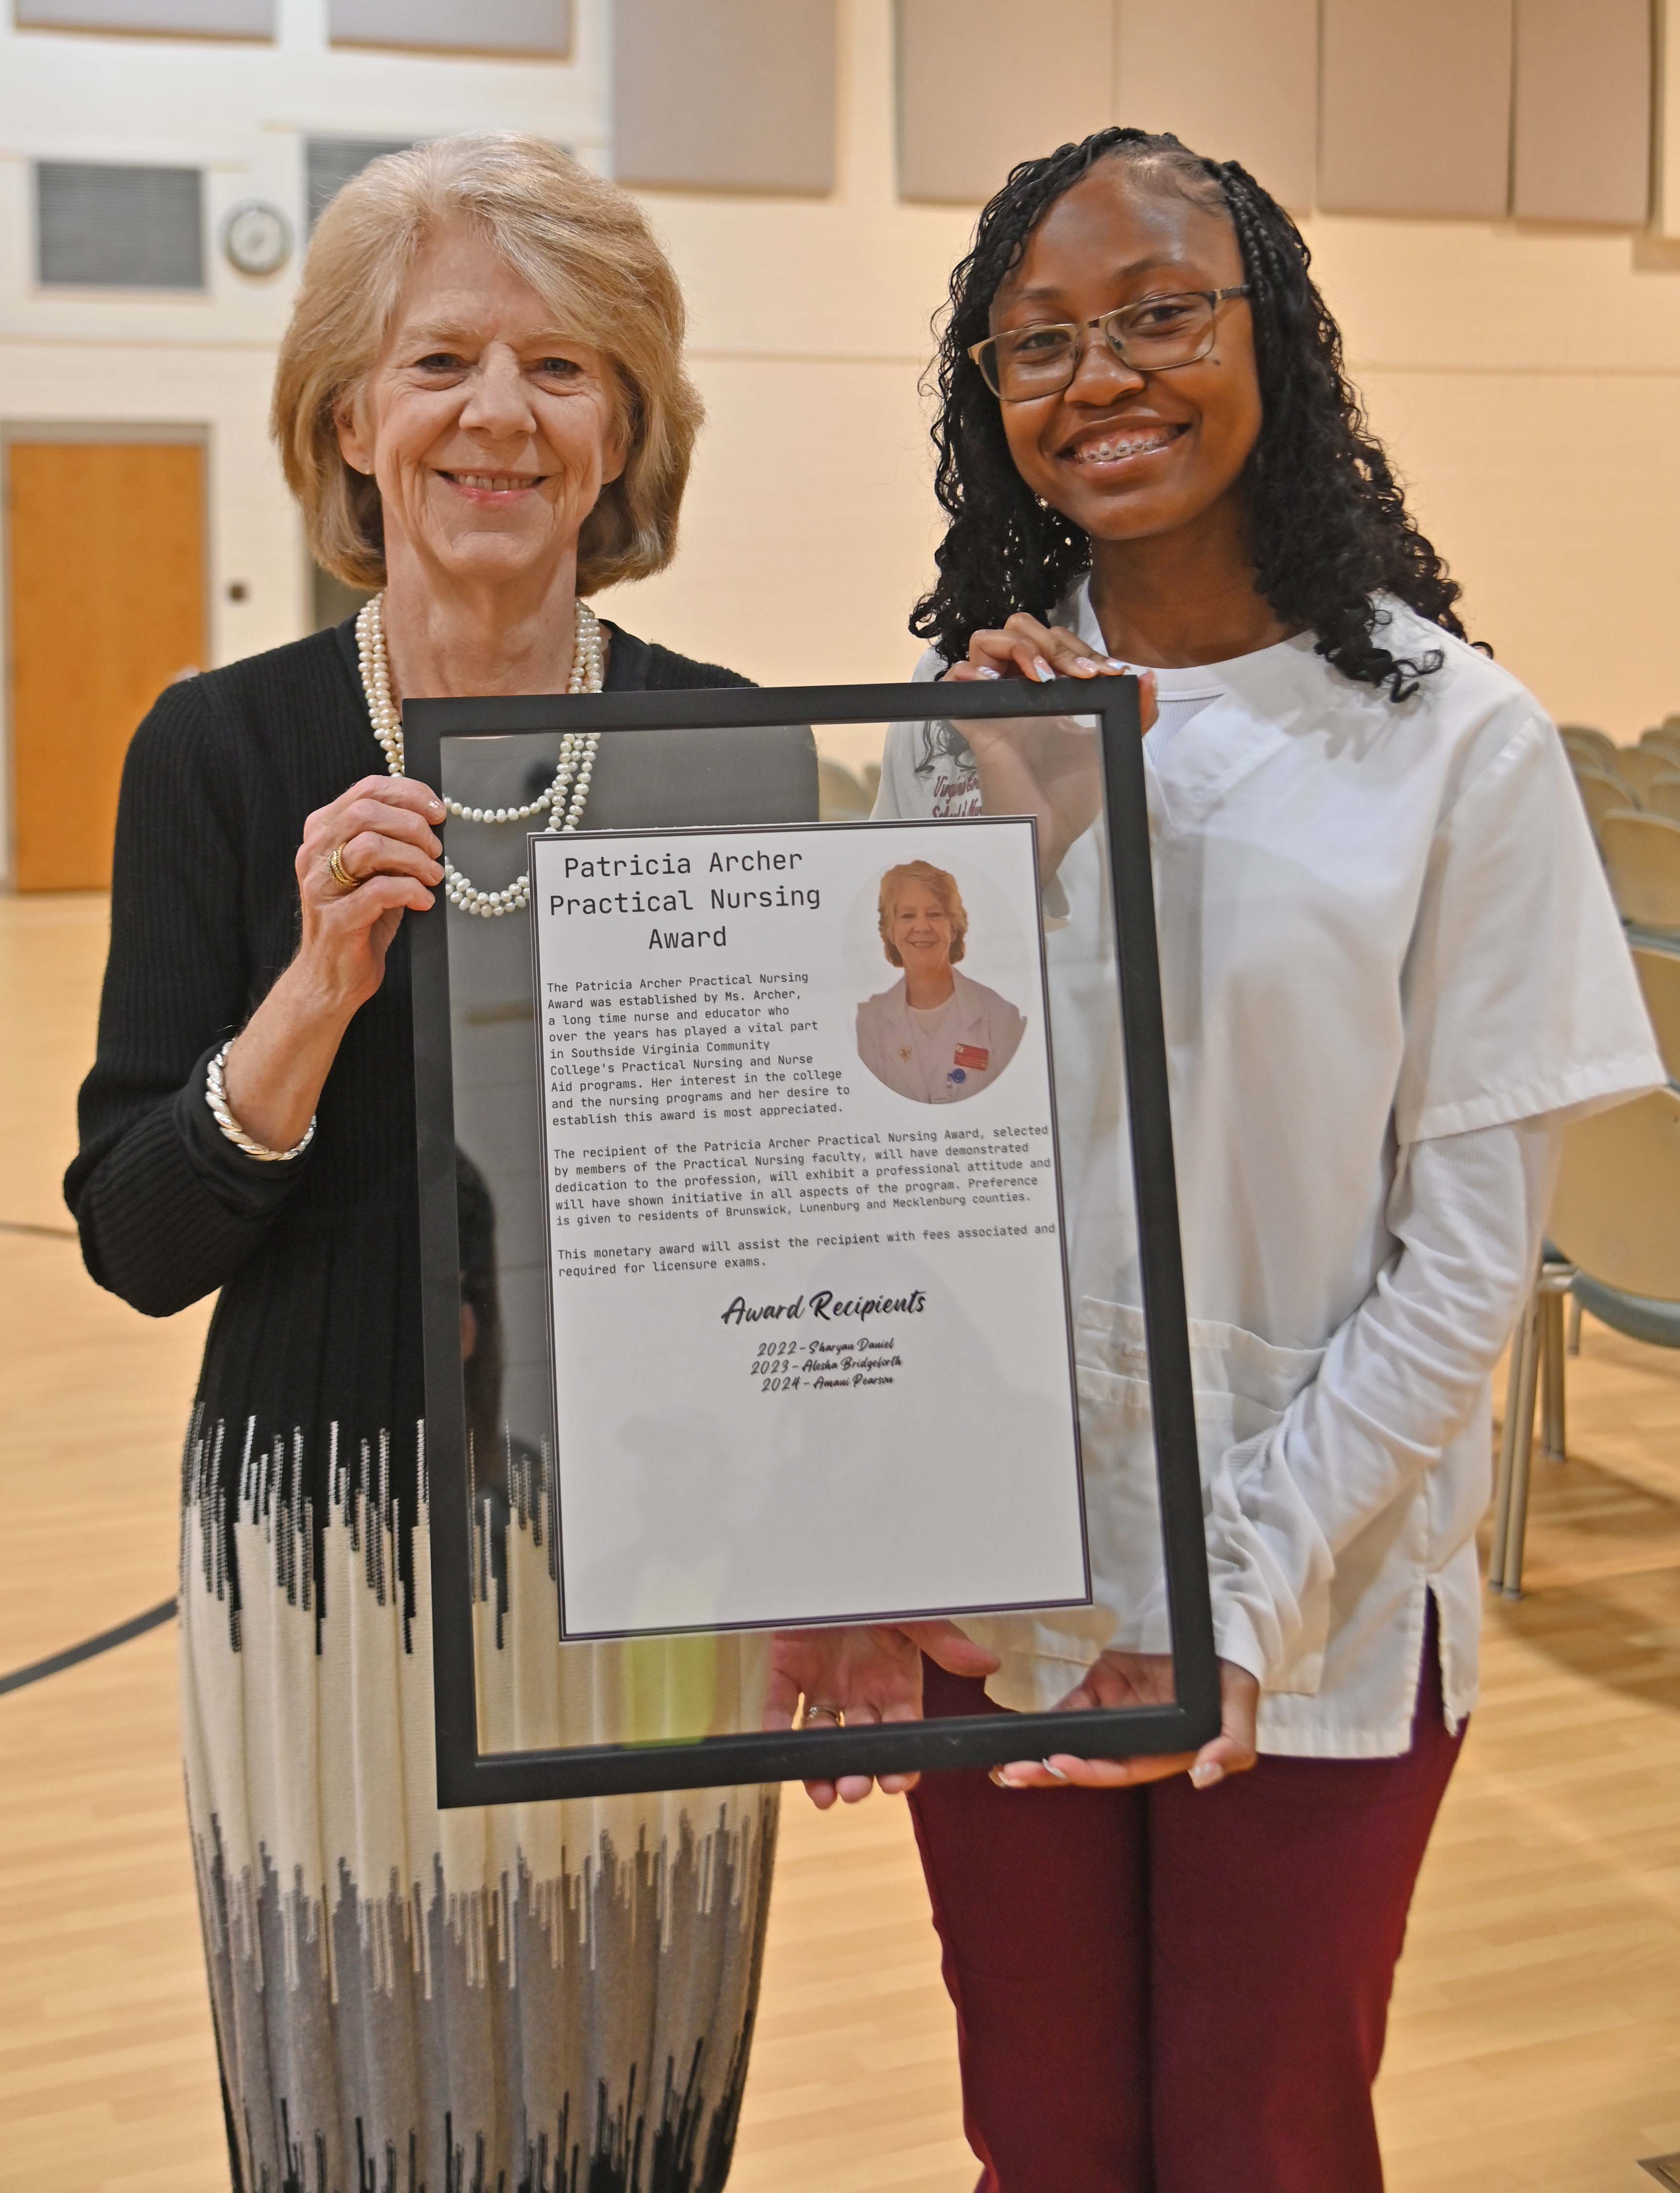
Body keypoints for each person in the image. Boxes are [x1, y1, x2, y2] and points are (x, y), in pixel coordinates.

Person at [785, 127, 1662, 2190]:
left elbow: (1466, 1263)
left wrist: (1240, 1588)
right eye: (1039, 342)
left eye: (1161, 311)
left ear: (1276, 334)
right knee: (1047, 2140)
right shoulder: (957, 730)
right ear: (984, 401)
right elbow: (886, 1180)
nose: (1101, 374)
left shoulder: (1460, 742)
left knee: (1263, 2144)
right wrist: (1015, 851)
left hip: (1317, 1595)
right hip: (998, 1577)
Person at [65, 134, 813, 2193]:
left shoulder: (731, 742)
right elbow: (135, 1232)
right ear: (348, 420)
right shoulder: (217, 748)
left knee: (627, 2096)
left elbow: (809, 1208)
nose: (499, 413)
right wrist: (307, 997)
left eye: (564, 367)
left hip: (652, 1549)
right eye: (443, 361)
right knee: (356, 2114)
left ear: (626, 433)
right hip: (333, 1544)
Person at [855, 858, 1025, 1102]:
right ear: (890, 931)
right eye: (907, 916)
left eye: (935, 914)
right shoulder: (869, 1021)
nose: (922, 926)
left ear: (954, 928)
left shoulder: (1001, 1017)